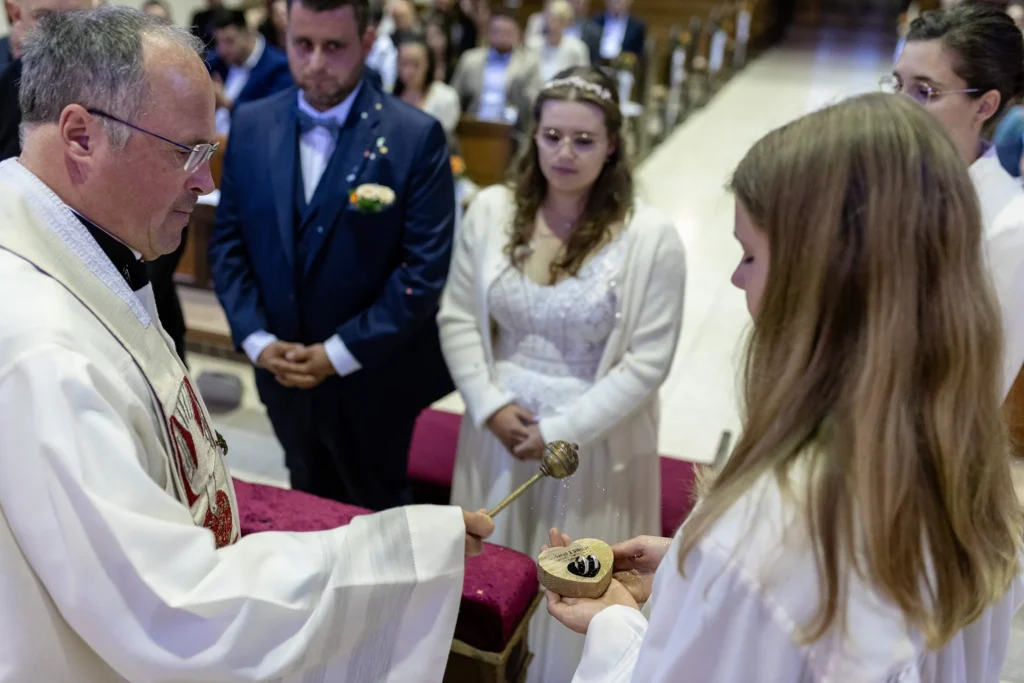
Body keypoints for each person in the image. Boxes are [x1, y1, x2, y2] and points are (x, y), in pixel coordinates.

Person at [0, 7, 494, 681]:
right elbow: (177, 612)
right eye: (188, 152)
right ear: (81, 136)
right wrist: (401, 548)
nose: (206, 182)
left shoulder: (75, 246)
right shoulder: (42, 350)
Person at [544, 92, 1024, 683]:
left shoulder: (769, 530)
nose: (734, 277)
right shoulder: (968, 470)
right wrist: (686, 573)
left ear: (819, 282)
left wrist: (619, 622)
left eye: (750, 254)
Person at [439, 66, 686, 683]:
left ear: (612, 145)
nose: (564, 152)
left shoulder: (651, 237)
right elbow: (458, 317)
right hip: (499, 426)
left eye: (583, 139)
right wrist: (490, 404)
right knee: (495, 571)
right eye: (552, 135)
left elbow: (648, 361)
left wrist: (560, 429)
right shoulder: (492, 210)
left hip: (591, 440)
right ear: (534, 136)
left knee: (576, 586)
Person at [210, 0, 456, 512]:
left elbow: (422, 272)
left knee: (378, 509)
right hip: (280, 371)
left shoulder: (415, 137)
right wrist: (257, 340)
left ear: (367, 43)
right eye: (303, 45)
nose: (316, 62)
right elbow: (229, 243)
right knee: (304, 495)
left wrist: (337, 354)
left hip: (375, 378)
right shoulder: (252, 125)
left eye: (335, 46)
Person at [889, 2, 1024, 398]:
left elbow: (982, 387)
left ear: (985, 105)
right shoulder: (889, 185)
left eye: (924, 92)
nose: (900, 107)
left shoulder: (1010, 227)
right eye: (898, 85)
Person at [0, 0, 92, 161]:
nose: (62, 34)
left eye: (77, 18)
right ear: (15, 12)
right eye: (45, 18)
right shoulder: (6, 82)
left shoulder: (120, 79)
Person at [450, 8, 542, 129]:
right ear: (488, 32)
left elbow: (534, 102)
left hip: (512, 130)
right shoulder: (470, 59)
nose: (501, 37)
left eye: (507, 32)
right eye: (496, 31)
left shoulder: (528, 64)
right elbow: (454, 96)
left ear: (518, 34)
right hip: (473, 125)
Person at [208, 8, 293, 136]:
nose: (222, 50)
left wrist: (227, 103)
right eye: (218, 42)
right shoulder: (216, 63)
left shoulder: (279, 67)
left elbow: (272, 116)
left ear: (248, 34)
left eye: (229, 41)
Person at [395, 34, 461, 138]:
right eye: (404, 63)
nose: (409, 71)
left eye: (416, 64)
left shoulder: (446, 97)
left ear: (429, 65)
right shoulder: (390, 97)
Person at [528, 0, 590, 83]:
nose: (553, 25)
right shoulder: (532, 45)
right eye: (549, 19)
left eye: (558, 20)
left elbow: (583, 78)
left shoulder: (577, 48)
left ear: (566, 23)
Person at [583, 0, 645, 64]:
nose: (617, 1)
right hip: (596, 65)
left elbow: (638, 57)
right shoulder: (595, 22)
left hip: (623, 67)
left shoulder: (637, 27)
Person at [425, 14, 455, 82]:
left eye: (437, 35)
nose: (433, 41)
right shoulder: (424, 65)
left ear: (446, 36)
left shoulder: (455, 63)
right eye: (429, 36)